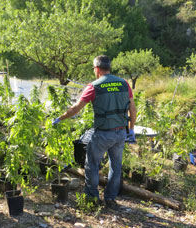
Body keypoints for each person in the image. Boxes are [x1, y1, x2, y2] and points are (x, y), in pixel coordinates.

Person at [53, 55, 137, 209]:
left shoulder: (94, 86)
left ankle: (92, 198)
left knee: (91, 165)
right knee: (116, 166)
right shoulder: (124, 83)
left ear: (97, 69)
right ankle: (110, 199)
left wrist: (60, 118)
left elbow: (76, 108)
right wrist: (131, 130)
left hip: (103, 134)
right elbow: (132, 108)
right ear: (108, 67)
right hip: (120, 134)